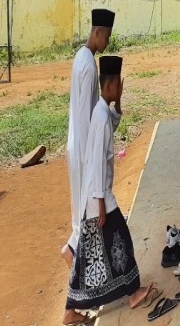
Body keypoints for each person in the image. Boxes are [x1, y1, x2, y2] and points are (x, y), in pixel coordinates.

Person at [64, 55, 154, 323]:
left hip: (97, 194)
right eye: (119, 87)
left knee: (90, 254)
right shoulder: (100, 117)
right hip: (99, 195)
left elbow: (111, 127)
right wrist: (101, 202)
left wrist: (120, 103)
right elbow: (95, 162)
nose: (120, 89)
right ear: (111, 85)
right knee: (121, 240)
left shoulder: (102, 111)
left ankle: (70, 310)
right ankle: (133, 292)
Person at [62, 8, 118, 268]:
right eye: (106, 37)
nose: (107, 43)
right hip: (83, 148)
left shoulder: (81, 58)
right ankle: (73, 250)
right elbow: (86, 115)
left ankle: (74, 249)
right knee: (86, 210)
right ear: (97, 32)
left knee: (83, 208)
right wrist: (91, 157)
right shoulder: (88, 65)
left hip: (78, 144)